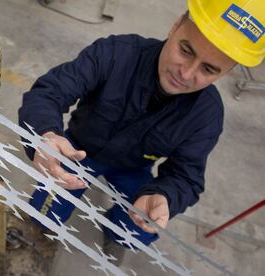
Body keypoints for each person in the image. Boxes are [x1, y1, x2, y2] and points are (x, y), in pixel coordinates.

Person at [18, 0, 265, 265]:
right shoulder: (116, 53)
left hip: (132, 169)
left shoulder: (206, 117)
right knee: (45, 210)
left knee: (140, 229)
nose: (186, 73)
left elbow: (186, 176)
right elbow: (49, 93)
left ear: (226, 73)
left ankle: (115, 231)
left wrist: (165, 196)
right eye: (186, 50)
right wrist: (45, 134)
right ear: (175, 26)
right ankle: (42, 228)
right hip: (78, 151)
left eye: (208, 69)